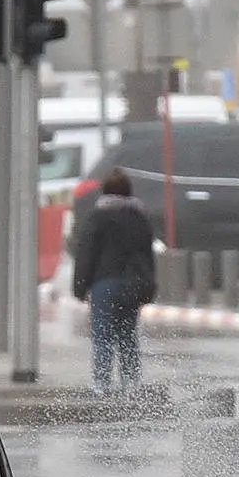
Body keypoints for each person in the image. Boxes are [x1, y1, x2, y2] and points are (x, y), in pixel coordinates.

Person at [70, 168, 158, 393]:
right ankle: (131, 384)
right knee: (128, 336)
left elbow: (87, 253)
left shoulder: (98, 217)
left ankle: (102, 385)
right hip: (133, 285)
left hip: (105, 283)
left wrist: (79, 287)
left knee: (103, 336)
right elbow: (147, 256)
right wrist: (148, 288)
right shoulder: (140, 218)